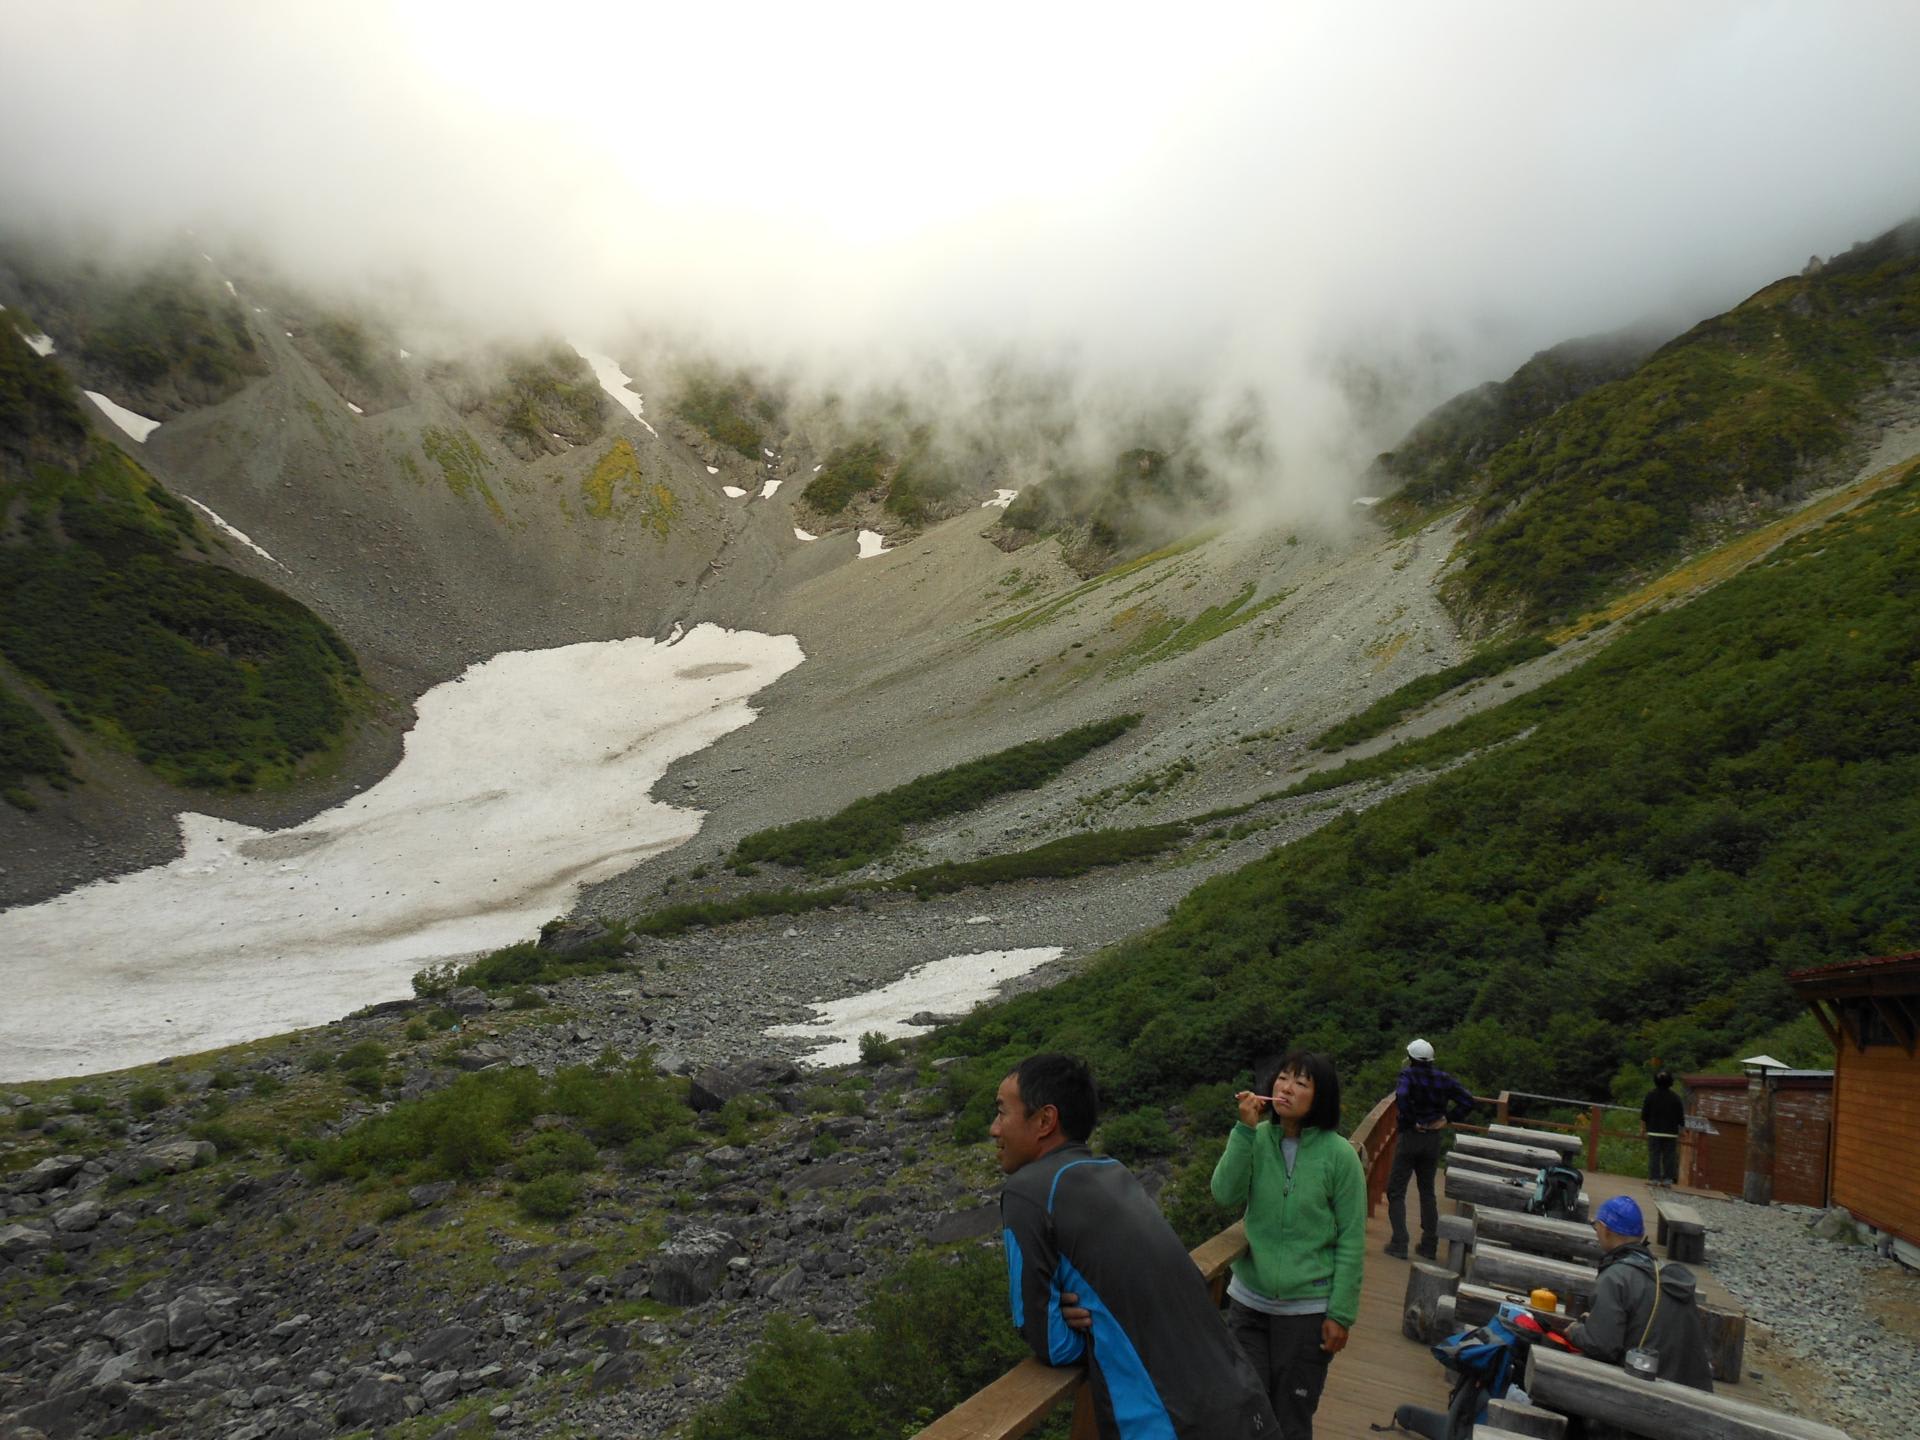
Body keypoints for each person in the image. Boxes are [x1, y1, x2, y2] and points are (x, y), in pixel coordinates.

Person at [993, 1053, 1278, 1439]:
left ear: (1045, 1120)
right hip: (1243, 1404)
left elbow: (1052, 1344)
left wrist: (1074, 1319)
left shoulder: (1028, 1193)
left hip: (1169, 1423)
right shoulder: (1112, 1172)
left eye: (1002, 1113)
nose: (994, 1129)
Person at [1210, 1051, 1365, 1440]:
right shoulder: (1257, 1139)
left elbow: (1351, 1238)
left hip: (1307, 1313)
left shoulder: (1339, 1156)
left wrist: (1341, 1314)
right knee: (1246, 1414)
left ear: (1321, 1096)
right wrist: (1244, 1131)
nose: (1286, 1088)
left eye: (1300, 1082)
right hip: (1249, 1304)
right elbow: (1224, 1192)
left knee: (1291, 1419)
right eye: (1282, 1078)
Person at [1564, 1195, 1714, 1391]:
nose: (1596, 1232)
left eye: (1596, 1226)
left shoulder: (1615, 1277)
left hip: (1649, 1394)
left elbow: (1603, 1346)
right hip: (1690, 1391)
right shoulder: (1659, 1271)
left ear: (1607, 1230)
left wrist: (1576, 1331)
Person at [1384, 1038, 1477, 1260]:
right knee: (1427, 1191)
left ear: (1411, 1059)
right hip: (1432, 1139)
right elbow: (1468, 1101)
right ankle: (1429, 1245)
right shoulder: (1443, 1079)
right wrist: (1447, 1119)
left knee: (1396, 1190)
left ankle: (1399, 1242)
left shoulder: (1408, 1076)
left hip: (1410, 1137)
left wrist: (1411, 1119)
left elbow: (1402, 1095)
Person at [1640, 1070, 1685, 1188]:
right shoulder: (1675, 1097)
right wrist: (1682, 1130)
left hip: (1654, 1130)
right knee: (1669, 1156)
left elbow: (1644, 1114)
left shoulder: (1650, 1095)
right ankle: (1667, 1180)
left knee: (1654, 1155)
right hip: (1671, 1132)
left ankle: (1654, 1178)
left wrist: (1643, 1129)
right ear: (1671, 1082)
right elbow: (1680, 1116)